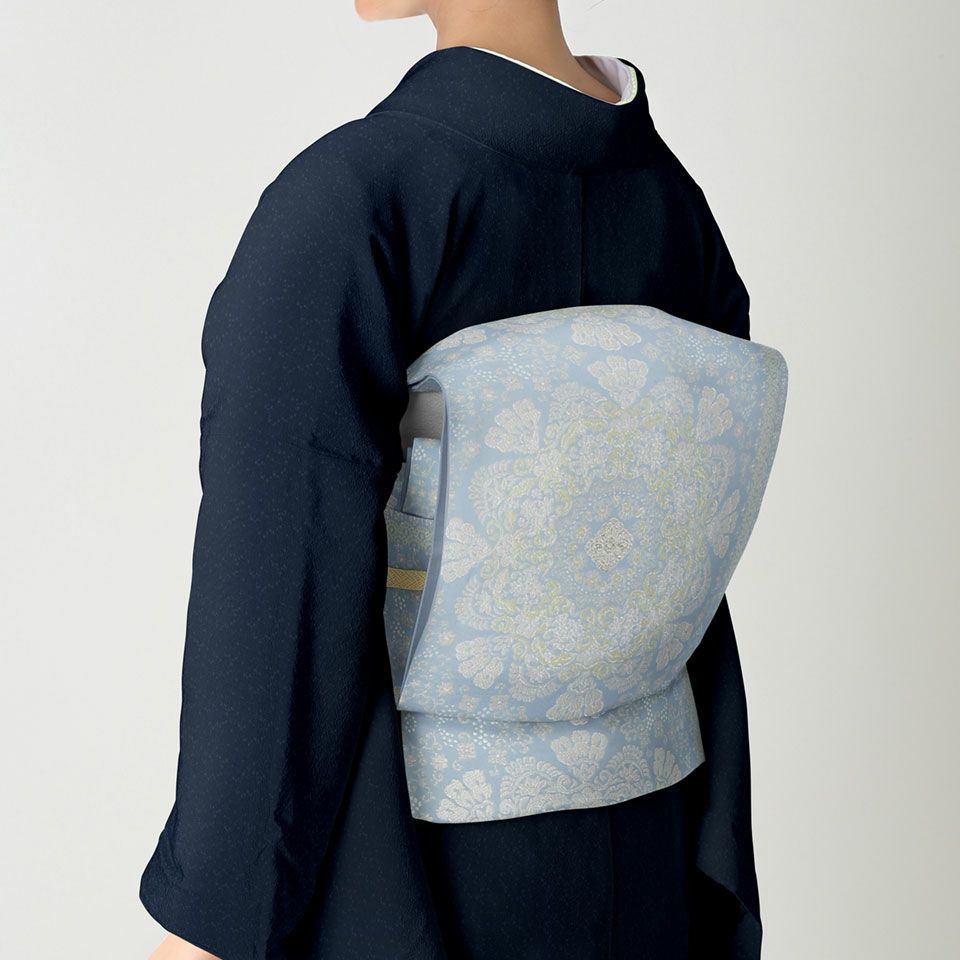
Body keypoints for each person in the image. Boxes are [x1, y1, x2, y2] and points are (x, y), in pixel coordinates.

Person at [141, 2, 763, 958]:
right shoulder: (676, 208)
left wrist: (214, 918)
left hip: (414, 877)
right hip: (653, 850)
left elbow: (279, 585)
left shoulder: (354, 201)